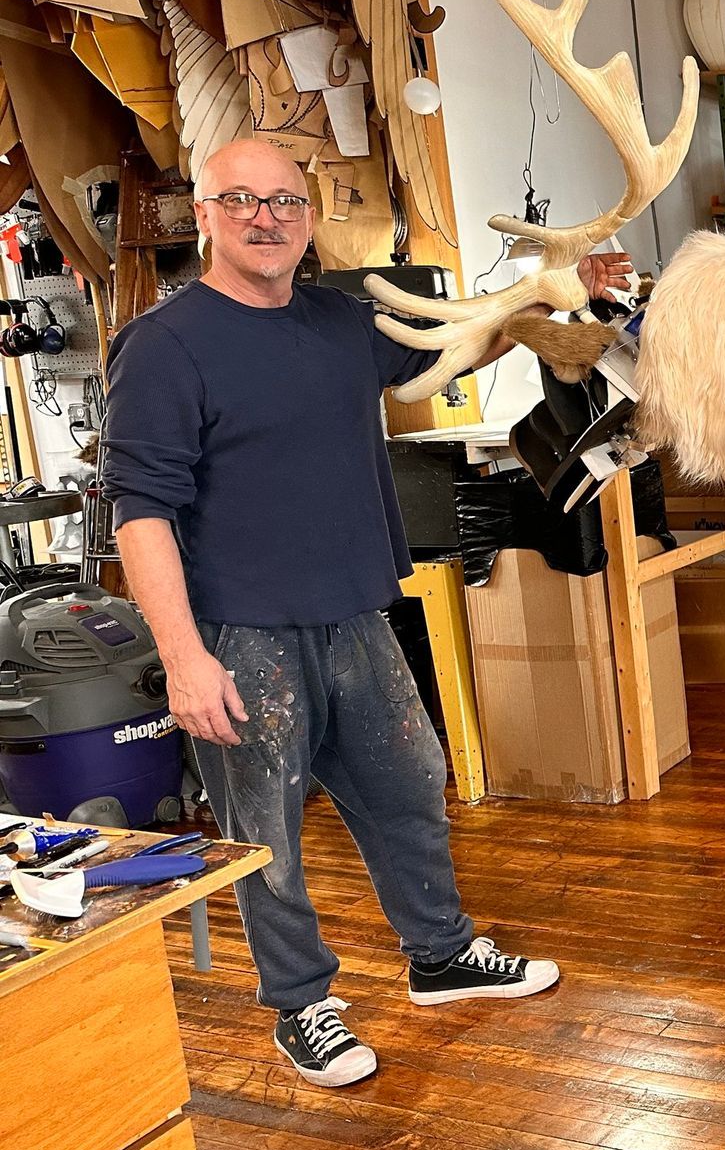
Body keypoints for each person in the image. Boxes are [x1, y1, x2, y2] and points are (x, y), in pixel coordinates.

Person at [103, 139, 626, 1088]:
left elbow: (462, 340)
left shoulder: (340, 320)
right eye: (241, 200)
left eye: (284, 201)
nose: (266, 218)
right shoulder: (164, 346)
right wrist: (182, 657)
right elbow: (139, 513)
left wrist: (557, 293)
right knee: (265, 832)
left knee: (409, 787)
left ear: (308, 217)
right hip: (240, 633)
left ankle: (441, 955)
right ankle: (301, 1004)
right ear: (205, 213)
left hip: (355, 614)